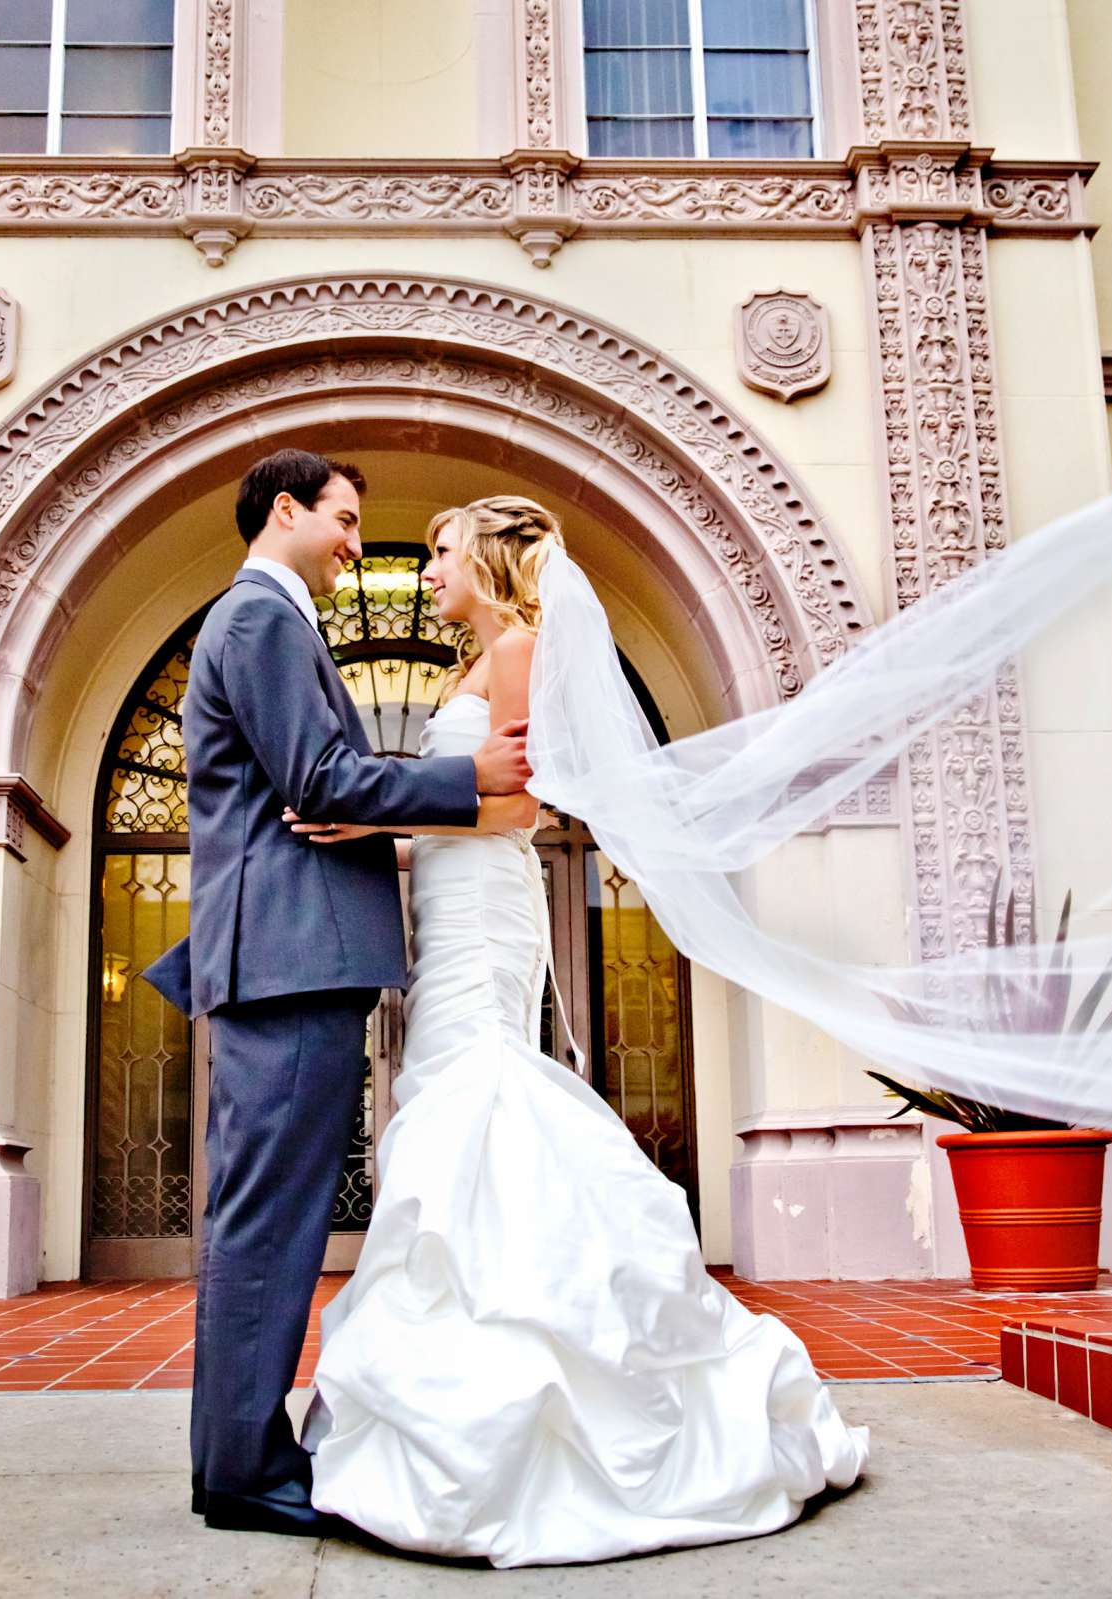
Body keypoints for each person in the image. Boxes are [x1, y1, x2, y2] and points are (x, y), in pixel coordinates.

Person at [284, 496, 868, 1567]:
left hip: (488, 916)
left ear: (492, 563)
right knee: (458, 1100)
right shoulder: (481, 660)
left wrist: (372, 813)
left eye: (443, 555)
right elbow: (463, 807)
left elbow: (517, 810)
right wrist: (372, 849)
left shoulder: (518, 647)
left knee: (477, 1094)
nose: (427, 573)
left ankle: (525, 1347)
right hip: (453, 906)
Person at [140, 450, 535, 1540]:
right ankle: (243, 1470)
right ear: (287, 512)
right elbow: (316, 781)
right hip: (290, 959)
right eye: (347, 520)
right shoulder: (262, 620)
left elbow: (315, 789)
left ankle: (243, 1457)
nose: (360, 544)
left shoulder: (266, 621)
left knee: (267, 1215)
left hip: (289, 956)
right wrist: (471, 780)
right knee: (269, 1221)